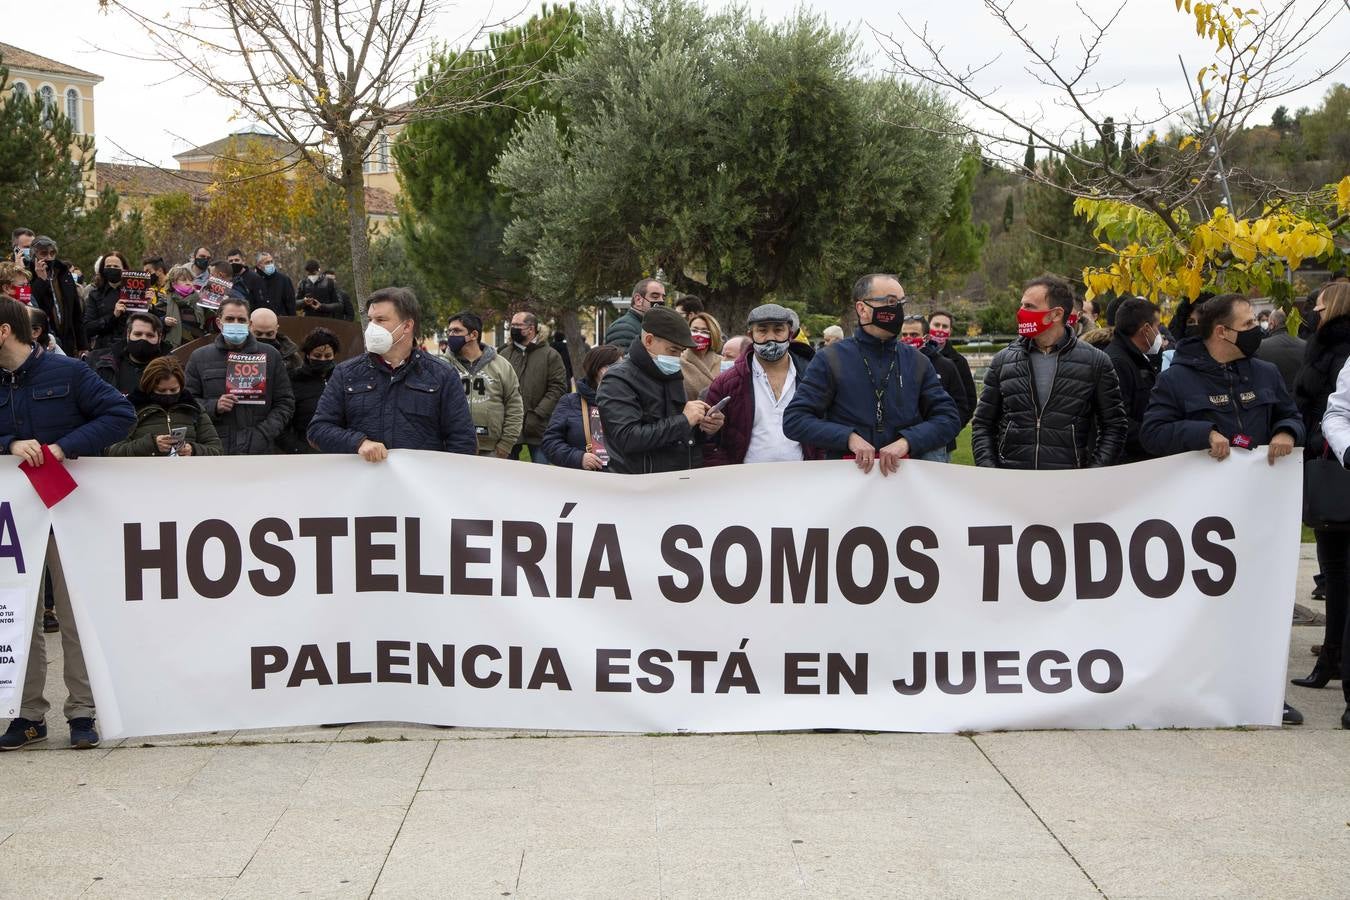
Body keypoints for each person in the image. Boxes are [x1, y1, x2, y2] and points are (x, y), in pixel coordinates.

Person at [1140, 293, 1304, 726]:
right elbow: (1153, 433)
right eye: (1249, 324)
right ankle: (1197, 689)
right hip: (1200, 524)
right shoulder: (1177, 379)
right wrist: (1202, 432)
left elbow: (1294, 416)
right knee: (1204, 612)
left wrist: (1287, 430)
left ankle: (1264, 693)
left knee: (1259, 608)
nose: (1258, 330)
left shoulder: (1265, 373)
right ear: (1222, 331)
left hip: (1256, 516)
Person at [0, 298, 134, 751]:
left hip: (69, 515)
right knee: (19, 616)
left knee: (76, 616)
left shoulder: (69, 373)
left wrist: (63, 448)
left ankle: (82, 711)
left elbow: (120, 415)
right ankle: (26, 714)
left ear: (4, 331)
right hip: (14, 522)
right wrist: (10, 442)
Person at [783, 274, 960, 473]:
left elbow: (948, 418)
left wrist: (907, 441)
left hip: (904, 480)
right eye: (890, 302)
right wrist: (848, 437)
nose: (898, 310)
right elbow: (795, 420)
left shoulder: (918, 361)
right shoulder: (830, 359)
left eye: (901, 302)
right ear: (862, 309)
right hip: (847, 480)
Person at [971, 274, 1127, 470]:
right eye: (1022, 305)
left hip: (1069, 483)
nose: (1021, 312)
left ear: (1056, 314)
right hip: (1012, 481)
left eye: (1029, 306)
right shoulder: (1003, 361)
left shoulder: (1096, 362)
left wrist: (1092, 474)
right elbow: (983, 424)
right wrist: (990, 470)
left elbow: (1114, 427)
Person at [309, 288, 477, 458]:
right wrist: (358, 442)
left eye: (380, 320)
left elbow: (463, 440)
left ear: (407, 326)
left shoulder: (442, 375)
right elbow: (318, 430)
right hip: (364, 481)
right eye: (370, 320)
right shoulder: (346, 373)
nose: (372, 327)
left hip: (421, 482)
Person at [1290, 283, 1350, 709]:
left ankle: (1335, 658)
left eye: (1320, 303)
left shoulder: (1335, 349)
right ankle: (1332, 657)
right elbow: (1334, 411)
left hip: (1332, 462)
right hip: (1332, 456)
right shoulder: (1323, 347)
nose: (1313, 309)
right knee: (1335, 573)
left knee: (1338, 573)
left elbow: (1322, 405)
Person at [597, 306, 724, 473]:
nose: (677, 358)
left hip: (680, 479)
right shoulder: (617, 380)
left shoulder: (669, 372)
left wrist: (705, 428)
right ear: (648, 340)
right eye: (673, 350)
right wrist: (685, 420)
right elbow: (627, 438)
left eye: (681, 351)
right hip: (642, 484)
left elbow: (679, 434)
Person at [184, 297, 295, 455]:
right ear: (219, 322)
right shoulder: (199, 357)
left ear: (249, 324)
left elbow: (285, 403)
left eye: (241, 319)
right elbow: (187, 404)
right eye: (229, 319)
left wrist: (262, 434)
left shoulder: (271, 355)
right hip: (216, 449)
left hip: (259, 450)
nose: (235, 323)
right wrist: (214, 406)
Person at [704, 304, 812, 466]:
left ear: (789, 334)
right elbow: (708, 441)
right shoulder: (726, 383)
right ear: (750, 334)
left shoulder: (812, 377)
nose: (771, 338)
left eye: (778, 330)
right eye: (762, 331)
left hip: (803, 478)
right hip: (746, 482)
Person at [106, 356, 223, 457]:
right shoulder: (131, 409)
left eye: (173, 390)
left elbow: (216, 449)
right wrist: (151, 445)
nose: (168, 394)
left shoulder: (194, 409)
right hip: (144, 476)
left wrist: (192, 450)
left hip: (187, 476)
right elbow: (112, 450)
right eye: (161, 390)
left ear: (181, 386)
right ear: (149, 387)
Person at [443, 312, 523, 457]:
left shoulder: (501, 365)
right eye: (449, 331)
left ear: (473, 335)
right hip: (452, 448)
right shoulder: (442, 366)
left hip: (492, 450)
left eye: (457, 331)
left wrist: (505, 445)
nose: (451, 335)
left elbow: (514, 406)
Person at [501, 310, 568, 464]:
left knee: (542, 477)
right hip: (509, 425)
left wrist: (538, 413)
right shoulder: (504, 354)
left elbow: (557, 388)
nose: (513, 328)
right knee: (505, 476)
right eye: (511, 325)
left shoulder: (550, 355)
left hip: (539, 425)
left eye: (517, 325)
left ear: (531, 329)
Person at [542, 345, 623, 470]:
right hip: (584, 480)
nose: (623, 372)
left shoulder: (628, 400)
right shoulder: (570, 402)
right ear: (599, 370)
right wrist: (578, 458)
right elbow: (550, 443)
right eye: (617, 366)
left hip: (622, 479)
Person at [899, 315, 968, 459]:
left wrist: (945, 431)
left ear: (925, 337)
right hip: (899, 442)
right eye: (904, 334)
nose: (908, 338)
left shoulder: (946, 365)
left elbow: (962, 405)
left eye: (914, 334)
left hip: (934, 445)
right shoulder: (895, 363)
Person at [1105, 297, 1163, 463]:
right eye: (1157, 327)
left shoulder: (1136, 359)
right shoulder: (1118, 362)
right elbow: (1119, 423)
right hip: (1127, 464)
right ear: (1146, 329)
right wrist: (1158, 436)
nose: (1158, 333)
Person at [278, 327, 341, 454]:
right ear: (308, 354)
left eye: (328, 355)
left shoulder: (343, 378)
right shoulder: (292, 380)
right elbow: (282, 422)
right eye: (317, 355)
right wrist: (298, 450)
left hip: (340, 449)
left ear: (334, 355)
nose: (323, 359)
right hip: (305, 452)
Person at [27, 236, 87, 357]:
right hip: (44, 342)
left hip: (67, 339)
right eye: (44, 253)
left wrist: (83, 345)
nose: (49, 257)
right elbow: (32, 304)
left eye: (52, 253)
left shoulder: (64, 273)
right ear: (34, 256)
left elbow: (76, 312)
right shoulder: (28, 275)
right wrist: (41, 280)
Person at [926, 310, 977, 432]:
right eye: (936, 325)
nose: (940, 329)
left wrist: (954, 427)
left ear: (950, 331)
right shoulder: (916, 355)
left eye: (945, 326)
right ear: (927, 327)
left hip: (944, 434)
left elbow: (969, 400)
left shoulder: (959, 362)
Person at [93, 312, 167, 396]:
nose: (143, 339)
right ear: (128, 335)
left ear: (159, 338)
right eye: (138, 334)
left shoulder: (170, 369)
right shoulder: (103, 364)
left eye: (150, 335)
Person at [604, 278, 666, 351]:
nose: (661, 301)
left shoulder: (647, 326)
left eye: (663, 298)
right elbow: (624, 361)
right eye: (655, 297)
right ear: (638, 300)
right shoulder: (624, 328)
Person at [1256, 308, 1306, 395]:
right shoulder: (1305, 345)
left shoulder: (1261, 346)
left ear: (1272, 324)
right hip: (1300, 396)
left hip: (1273, 396)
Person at [681, 312, 725, 401]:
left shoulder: (723, 363)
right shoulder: (678, 361)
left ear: (713, 335)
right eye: (694, 330)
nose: (698, 335)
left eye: (704, 331)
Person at [250, 308, 303, 373]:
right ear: (249, 327)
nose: (264, 337)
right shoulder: (238, 349)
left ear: (276, 329)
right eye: (258, 334)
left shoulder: (290, 355)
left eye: (269, 334)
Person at [140, 256, 179, 344]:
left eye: (148, 272)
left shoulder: (175, 287)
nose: (145, 275)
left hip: (173, 336)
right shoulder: (148, 290)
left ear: (160, 271)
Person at [164, 265, 206, 343]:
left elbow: (209, 323)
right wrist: (163, 321)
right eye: (184, 280)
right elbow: (154, 321)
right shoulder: (164, 301)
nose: (188, 283)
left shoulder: (200, 300)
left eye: (190, 280)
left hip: (198, 344)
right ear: (173, 283)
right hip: (175, 347)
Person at [254, 251, 296, 317]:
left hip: (282, 320)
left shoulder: (284, 279)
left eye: (271, 261)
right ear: (259, 266)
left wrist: (293, 320)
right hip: (261, 320)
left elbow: (290, 304)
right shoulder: (254, 280)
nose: (270, 264)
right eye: (267, 262)